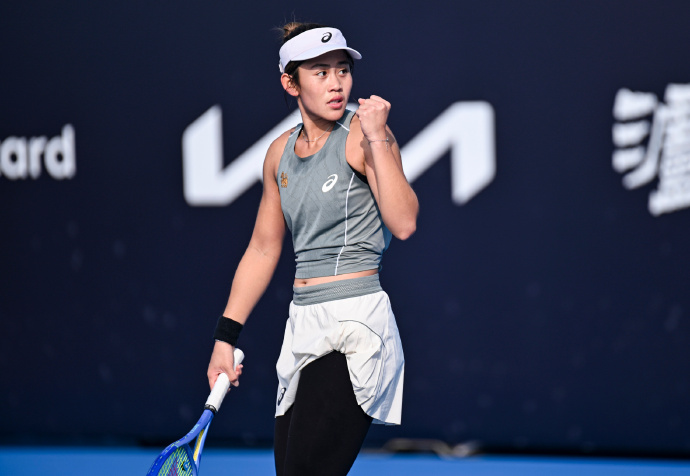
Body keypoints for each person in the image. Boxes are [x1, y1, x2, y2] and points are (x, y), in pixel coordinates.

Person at [206, 21, 419, 476]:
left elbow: (403, 223)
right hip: (302, 328)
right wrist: (225, 338)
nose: (336, 83)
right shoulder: (278, 154)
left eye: (342, 69)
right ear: (291, 83)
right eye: (320, 72)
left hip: (355, 327)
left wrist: (378, 137)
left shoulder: (364, 136)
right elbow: (263, 250)